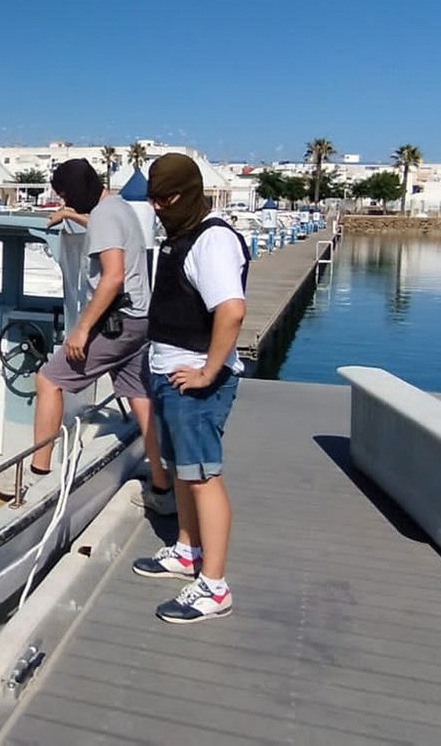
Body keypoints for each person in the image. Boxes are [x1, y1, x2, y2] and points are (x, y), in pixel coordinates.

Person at [0, 158, 170, 513]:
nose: (66, 200)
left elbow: (113, 276)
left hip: (115, 322)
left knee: (48, 380)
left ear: (76, 188)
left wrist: (83, 330)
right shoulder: (118, 207)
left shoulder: (104, 215)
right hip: (140, 320)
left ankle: (37, 473)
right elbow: (105, 232)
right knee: (139, 397)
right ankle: (163, 488)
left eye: (66, 195)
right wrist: (71, 216)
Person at [131, 153, 249, 623]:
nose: (158, 208)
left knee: (203, 476)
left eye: (166, 199)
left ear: (188, 194)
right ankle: (187, 549)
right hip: (168, 372)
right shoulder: (182, 236)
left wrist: (207, 373)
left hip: (195, 379)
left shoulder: (212, 239)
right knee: (182, 470)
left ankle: (215, 587)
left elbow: (231, 310)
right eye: (154, 200)